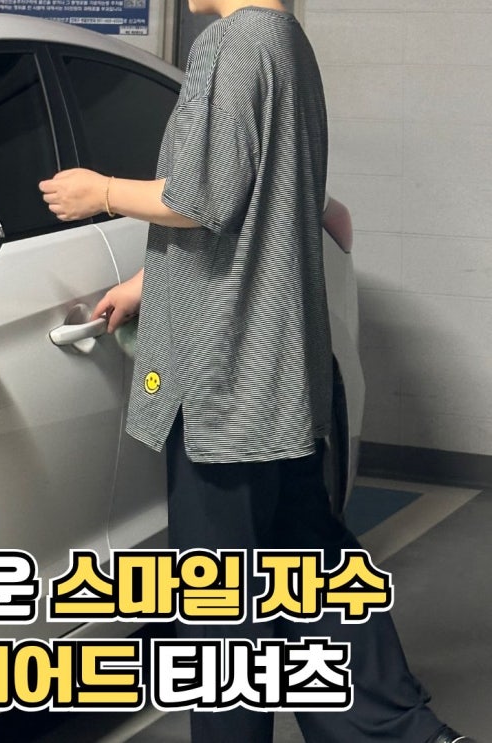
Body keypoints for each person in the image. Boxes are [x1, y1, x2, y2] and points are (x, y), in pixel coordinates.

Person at [39, 2, 475, 741]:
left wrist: (100, 192)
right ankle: (403, 732)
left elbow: (202, 196)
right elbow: (263, 201)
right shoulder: (286, 42)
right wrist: (148, 282)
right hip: (277, 367)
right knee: (312, 570)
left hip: (224, 374)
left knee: (220, 605)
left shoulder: (234, 43)